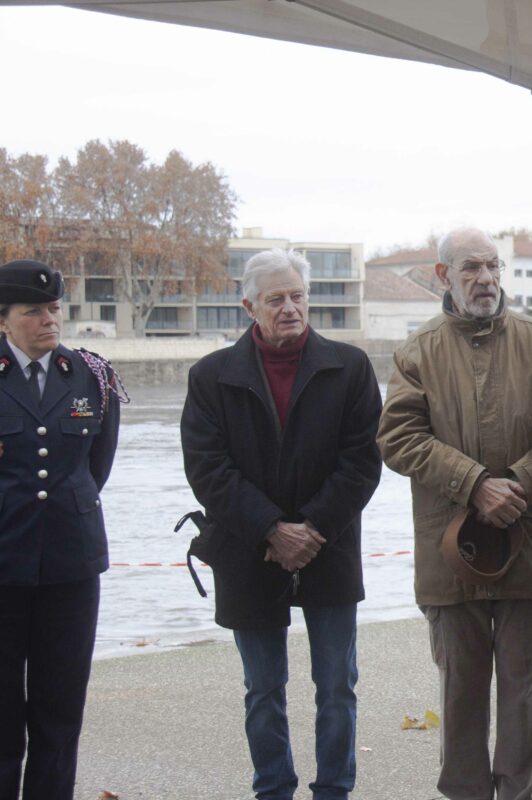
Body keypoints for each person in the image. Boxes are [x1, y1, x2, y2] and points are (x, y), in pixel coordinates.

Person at [377, 227, 532, 800]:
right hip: (450, 553)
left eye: (492, 266)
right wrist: (473, 484)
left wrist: (517, 483)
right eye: (471, 268)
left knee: (526, 696)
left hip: (531, 547)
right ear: (444, 276)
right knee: (460, 695)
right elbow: (397, 437)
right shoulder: (417, 351)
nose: (486, 279)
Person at [181, 249, 382, 800]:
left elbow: (363, 461)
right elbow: (206, 468)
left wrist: (311, 529)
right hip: (247, 551)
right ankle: (273, 788)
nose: (290, 307)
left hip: (331, 546)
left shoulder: (350, 367)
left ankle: (334, 789)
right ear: (249, 306)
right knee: (263, 688)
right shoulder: (211, 377)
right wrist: (270, 528)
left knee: (338, 685)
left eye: (297, 296)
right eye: (276, 299)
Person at [0, 259, 123, 800]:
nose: (49, 320)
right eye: (34, 311)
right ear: (2, 320)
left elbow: (97, 465)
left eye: (54, 309)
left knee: (61, 710)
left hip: (71, 564)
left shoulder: (92, 375)